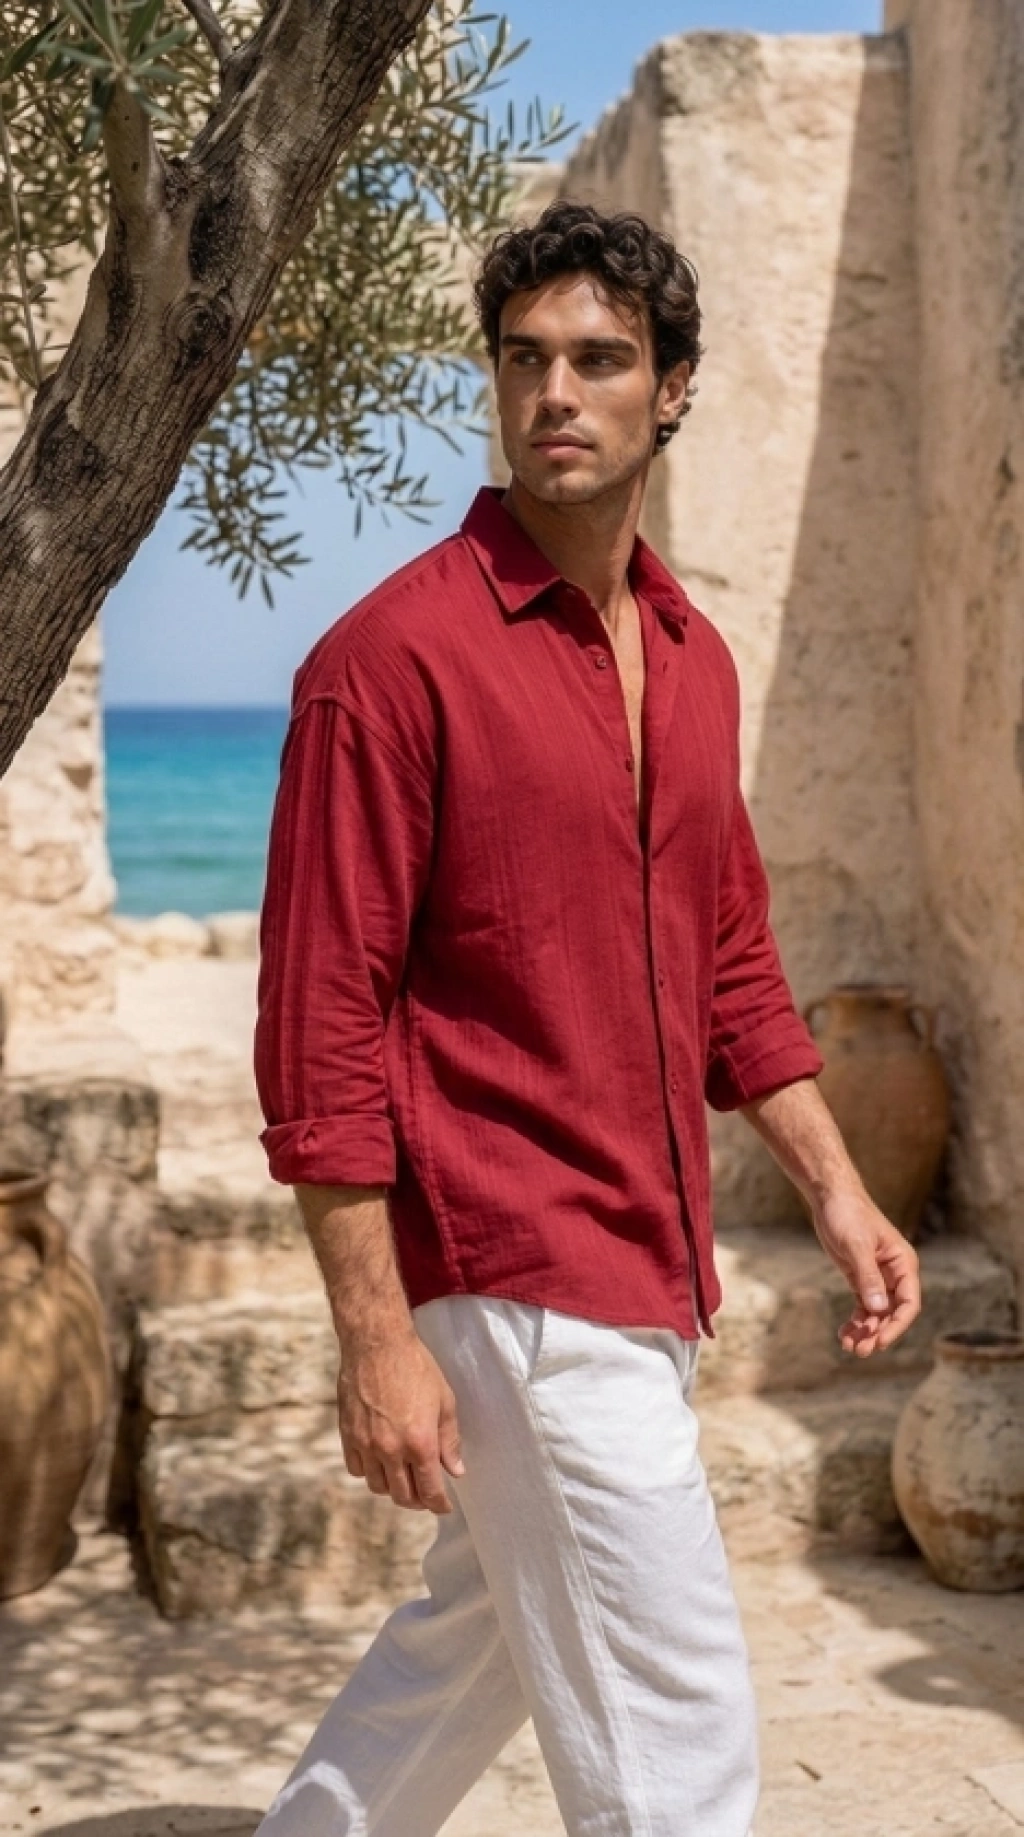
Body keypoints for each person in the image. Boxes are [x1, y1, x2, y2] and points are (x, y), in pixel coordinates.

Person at [252, 199, 922, 1837]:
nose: (557, 392)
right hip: (516, 1272)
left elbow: (731, 959)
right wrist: (374, 1338)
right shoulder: (386, 665)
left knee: (461, 1658)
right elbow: (320, 1031)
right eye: (526, 358)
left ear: (669, 390)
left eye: (601, 360)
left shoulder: (693, 657)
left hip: (648, 1261)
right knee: (676, 1739)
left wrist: (836, 1189)